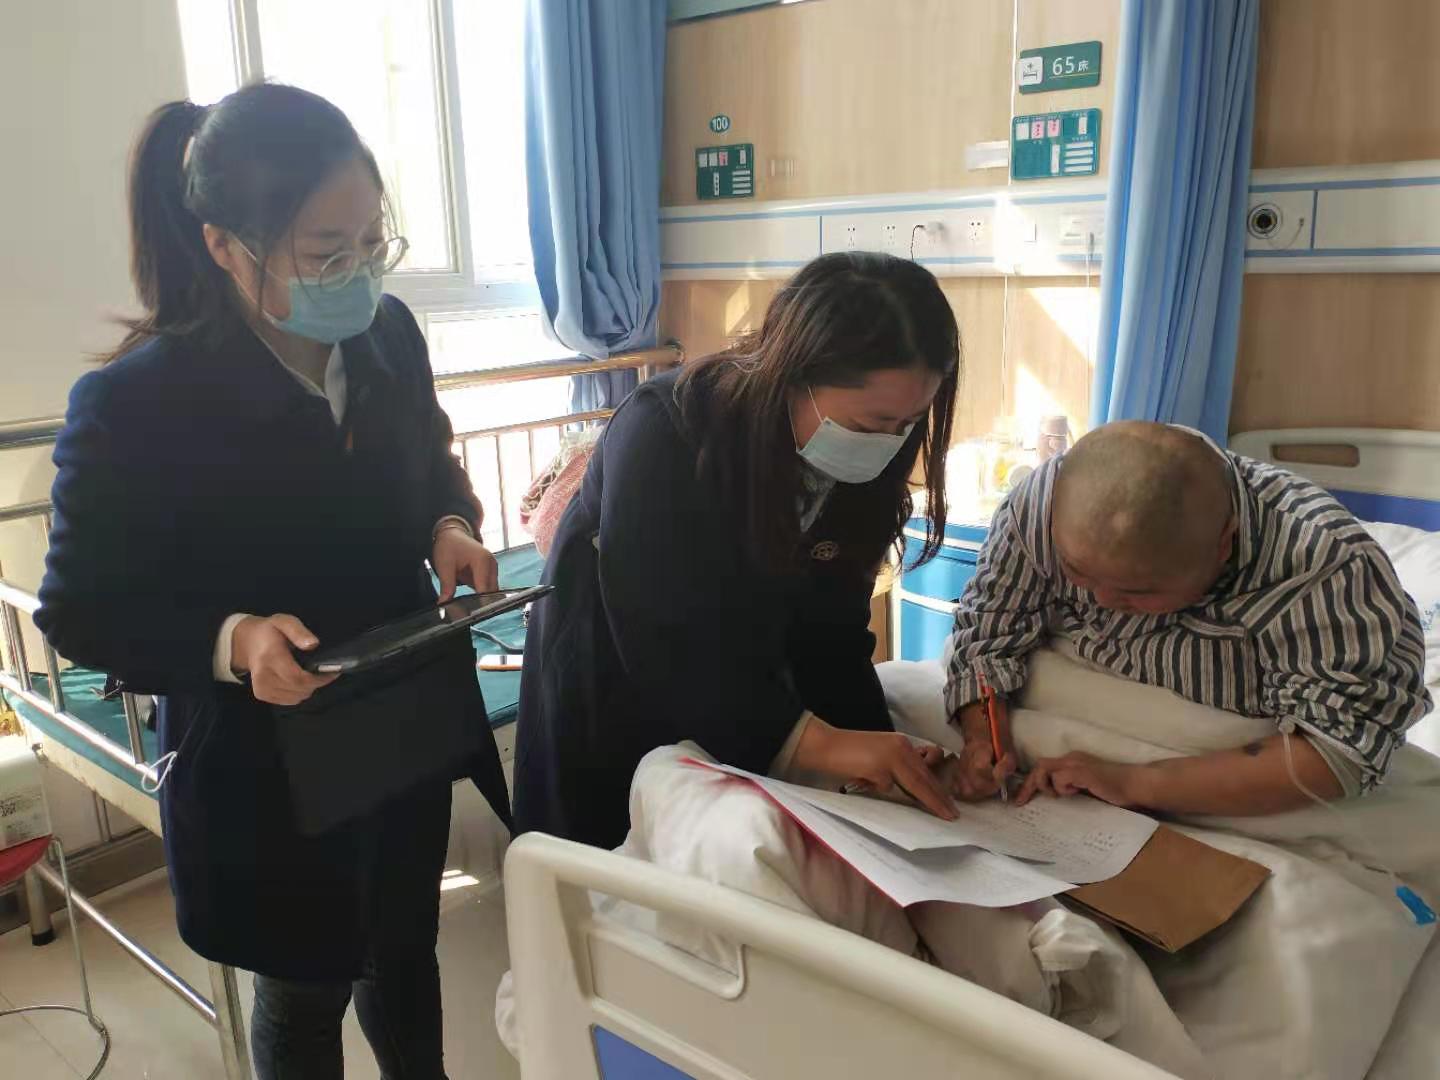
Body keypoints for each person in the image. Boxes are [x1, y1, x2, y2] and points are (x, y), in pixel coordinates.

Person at [34, 84, 509, 1079]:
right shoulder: (136, 404)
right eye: (325, 252)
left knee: (404, 951)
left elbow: (427, 459)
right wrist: (232, 640)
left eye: (371, 242)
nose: (357, 273)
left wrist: (449, 524)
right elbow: (84, 609)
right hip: (268, 766)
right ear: (224, 246)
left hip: (401, 717)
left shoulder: (387, 338)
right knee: (303, 993)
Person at [513, 252, 963, 849]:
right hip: (613, 677)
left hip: (738, 695)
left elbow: (833, 634)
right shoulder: (667, 430)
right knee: (613, 861)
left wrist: (888, 758)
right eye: (870, 423)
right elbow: (666, 640)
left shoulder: (870, 457)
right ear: (793, 375)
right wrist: (820, 743)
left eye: (908, 423)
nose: (889, 442)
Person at [946, 420, 1432, 814]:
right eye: (1077, 572)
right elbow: (987, 640)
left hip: (1235, 748)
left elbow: (1334, 755)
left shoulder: (1325, 569)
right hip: (1066, 697)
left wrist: (1133, 782)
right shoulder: (1040, 507)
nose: (1103, 601)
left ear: (1223, 545)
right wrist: (982, 739)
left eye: (1138, 592)